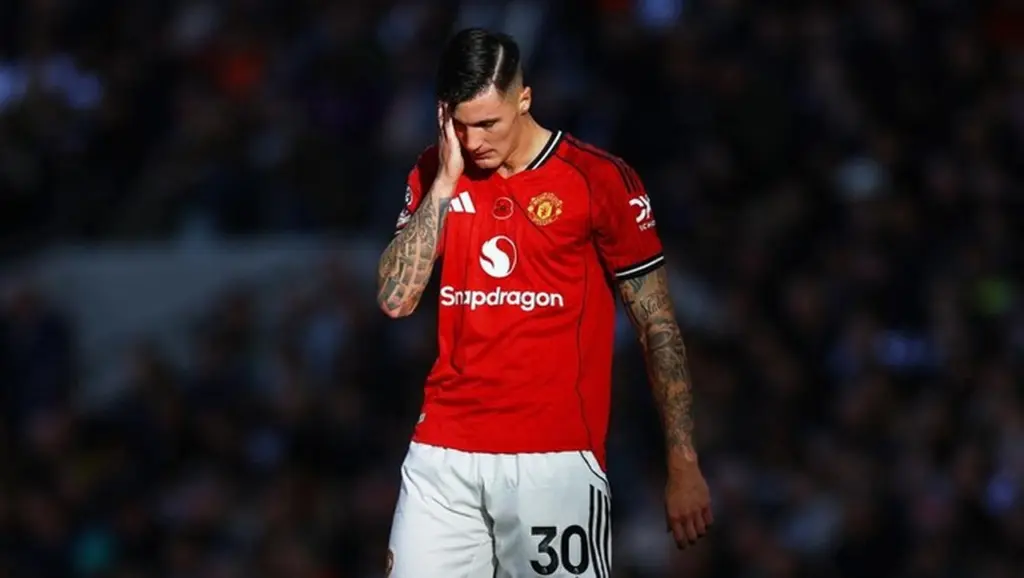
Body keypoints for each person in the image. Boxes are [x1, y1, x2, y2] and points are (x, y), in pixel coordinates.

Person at [376, 28, 712, 578]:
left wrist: (682, 459)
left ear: (524, 99)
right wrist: (443, 186)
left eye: (489, 123)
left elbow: (657, 326)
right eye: (461, 125)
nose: (474, 141)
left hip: (553, 461)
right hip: (442, 453)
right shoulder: (437, 170)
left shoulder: (598, 179)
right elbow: (395, 298)